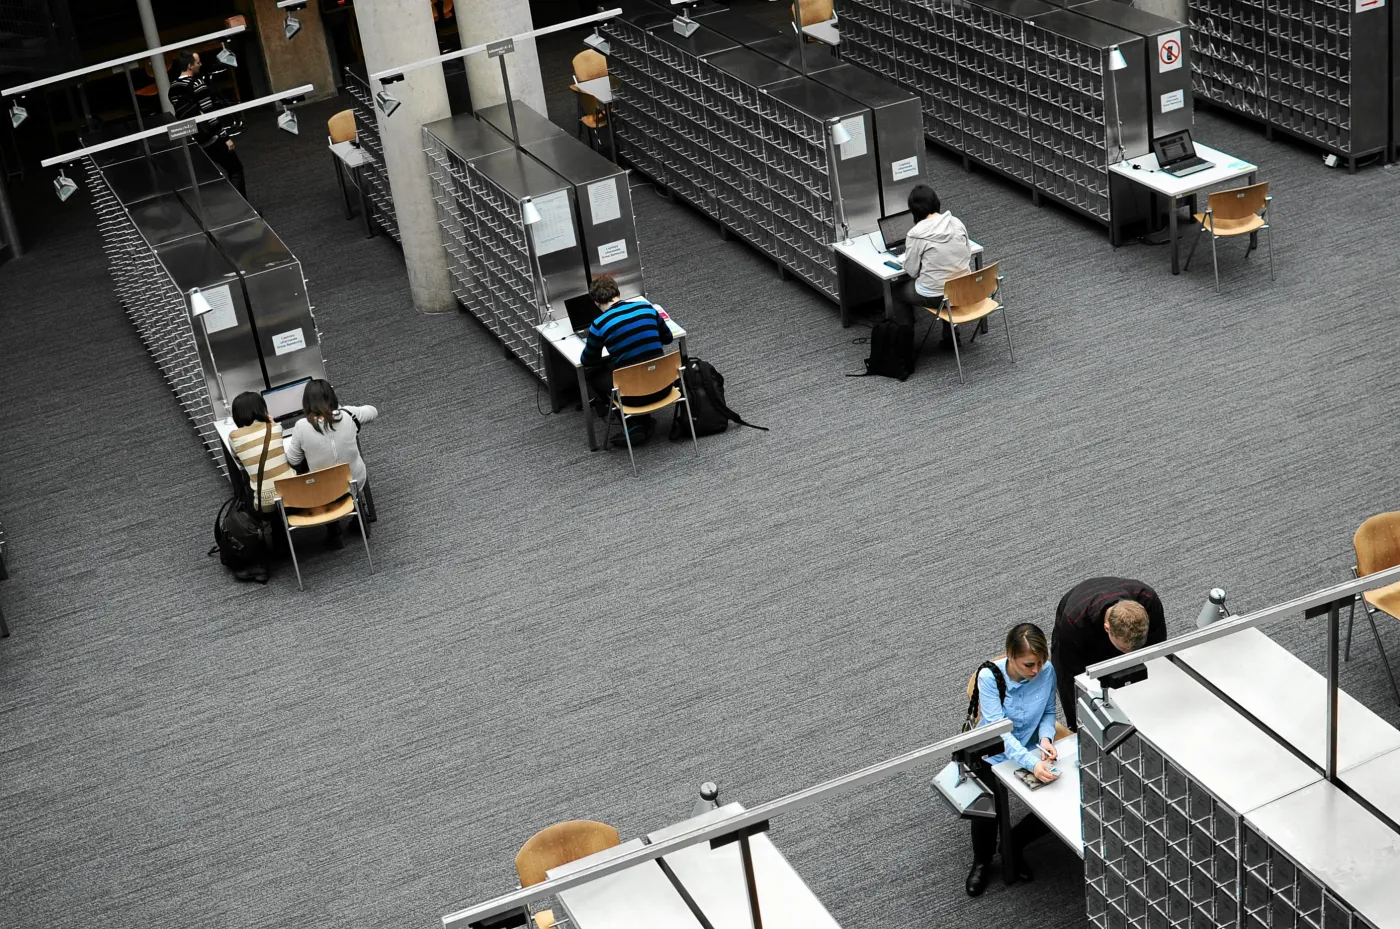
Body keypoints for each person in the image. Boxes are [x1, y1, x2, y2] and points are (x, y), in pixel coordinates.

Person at [966, 622, 1058, 897]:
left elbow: (1049, 712)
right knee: (987, 810)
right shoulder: (988, 678)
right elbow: (1000, 733)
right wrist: (1032, 764)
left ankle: (1013, 843)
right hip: (992, 751)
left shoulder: (1047, 671)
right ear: (1009, 655)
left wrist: (1046, 740)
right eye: (1029, 664)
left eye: (1041, 663)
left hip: (1030, 747)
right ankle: (982, 861)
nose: (1036, 671)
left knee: (1058, 797)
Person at [1051, 577, 1168, 728]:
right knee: (1079, 706)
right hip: (1079, 638)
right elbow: (1075, 681)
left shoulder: (1148, 600)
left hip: (1106, 626)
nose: (1128, 656)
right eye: (1124, 650)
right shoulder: (1074, 621)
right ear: (1107, 629)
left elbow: (1157, 655)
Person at [579, 275, 674, 447]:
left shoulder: (599, 324)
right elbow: (667, 338)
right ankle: (643, 422)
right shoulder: (646, 307)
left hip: (633, 398)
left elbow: (588, 360)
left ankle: (633, 424)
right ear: (617, 291)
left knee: (593, 374)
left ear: (596, 302)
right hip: (665, 386)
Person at [283, 379, 378, 546]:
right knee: (345, 472)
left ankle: (334, 532)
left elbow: (293, 460)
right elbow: (373, 411)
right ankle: (358, 510)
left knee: (312, 473)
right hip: (354, 481)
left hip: (323, 489)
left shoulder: (301, 426)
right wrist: (343, 409)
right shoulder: (348, 415)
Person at [895, 184, 972, 343]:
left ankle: (906, 345)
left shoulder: (916, 235)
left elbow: (911, 271)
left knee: (897, 293)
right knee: (949, 277)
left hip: (936, 295)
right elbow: (968, 254)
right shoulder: (956, 223)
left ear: (914, 210)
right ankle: (952, 338)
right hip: (963, 288)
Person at [168, 51, 246, 198]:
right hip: (209, 137)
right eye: (198, 63)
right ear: (190, 66)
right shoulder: (197, 84)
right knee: (235, 169)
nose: (201, 65)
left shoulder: (173, 87)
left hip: (192, 138)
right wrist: (225, 138)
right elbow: (209, 115)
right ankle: (245, 211)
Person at [229, 392, 295, 515]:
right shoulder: (275, 428)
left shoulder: (234, 437)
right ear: (262, 409)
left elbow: (241, 465)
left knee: (251, 480)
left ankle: (277, 530)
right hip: (294, 496)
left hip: (265, 506)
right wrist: (271, 421)